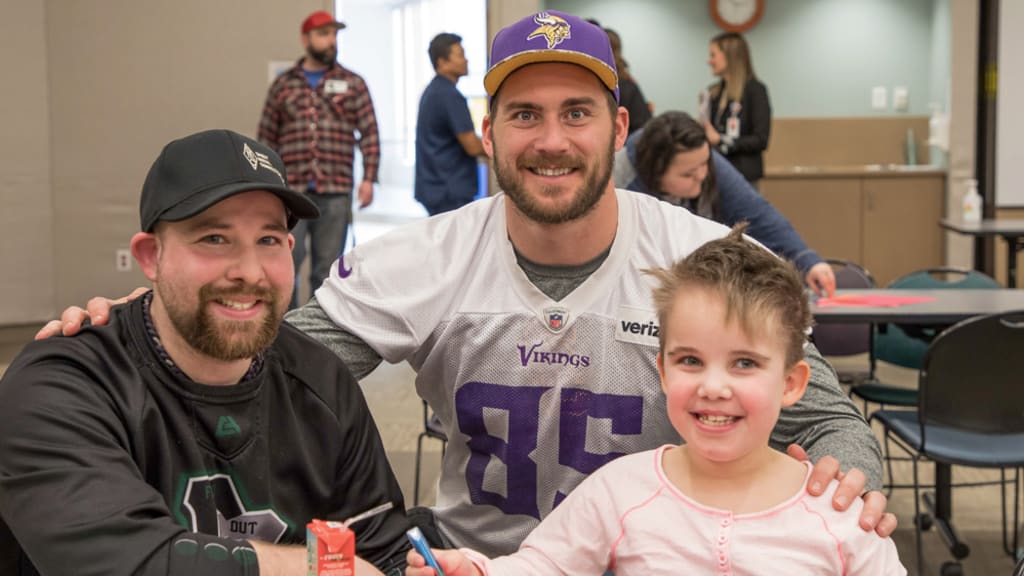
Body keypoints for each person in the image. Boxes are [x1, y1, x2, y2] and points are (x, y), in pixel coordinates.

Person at [39, 10, 894, 560]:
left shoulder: (700, 257)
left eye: (576, 113)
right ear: (489, 133)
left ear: (619, 128)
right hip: (472, 561)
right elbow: (266, 352)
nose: (550, 139)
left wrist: (847, 486)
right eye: (524, 115)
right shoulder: (424, 258)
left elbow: (821, 414)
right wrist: (144, 326)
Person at [0, 130, 410, 575]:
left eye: (268, 240)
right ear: (150, 256)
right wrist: (320, 568)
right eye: (214, 238)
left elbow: (383, 554)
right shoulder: (62, 385)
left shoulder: (322, 380)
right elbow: (122, 564)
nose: (249, 272)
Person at [406, 226, 905, 575]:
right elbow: (542, 565)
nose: (713, 386)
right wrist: (477, 569)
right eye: (690, 361)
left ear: (793, 383)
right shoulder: (622, 489)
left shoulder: (837, 511)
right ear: (662, 371)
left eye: (744, 363)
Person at [613, 110, 836, 297]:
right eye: (688, 174)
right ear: (655, 175)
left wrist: (807, 261)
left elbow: (757, 214)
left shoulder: (698, 157)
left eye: (705, 164)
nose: (702, 175)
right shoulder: (621, 182)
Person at [259, 10, 380, 308]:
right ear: (306, 39)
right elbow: (266, 138)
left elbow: (369, 133)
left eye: (334, 35)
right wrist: (266, 187)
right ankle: (283, 335)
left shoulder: (353, 83)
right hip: (292, 193)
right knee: (285, 263)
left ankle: (315, 340)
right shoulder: (284, 84)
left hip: (336, 191)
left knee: (327, 271)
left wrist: (368, 178)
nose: (331, 41)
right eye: (324, 34)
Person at [415, 33, 487, 216]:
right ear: (442, 62)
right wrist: (504, 149)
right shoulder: (448, 96)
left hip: (436, 188)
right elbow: (471, 145)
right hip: (448, 192)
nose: (466, 60)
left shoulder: (433, 91)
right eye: (460, 54)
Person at [704, 32, 770, 188]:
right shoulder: (714, 93)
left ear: (729, 56)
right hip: (717, 174)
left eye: (713, 55)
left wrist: (720, 139)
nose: (709, 61)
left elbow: (761, 139)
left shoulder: (755, 91)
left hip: (743, 177)